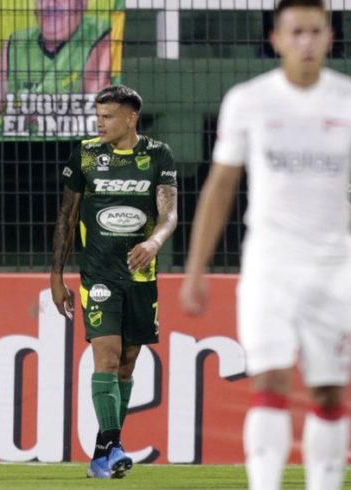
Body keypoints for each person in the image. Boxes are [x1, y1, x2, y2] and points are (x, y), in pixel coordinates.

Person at [179, 1, 351, 488]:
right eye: (296, 32)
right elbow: (220, 187)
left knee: (328, 391)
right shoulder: (249, 101)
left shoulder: (346, 100)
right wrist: (195, 270)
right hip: (270, 263)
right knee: (270, 379)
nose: (306, 41)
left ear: (330, 38)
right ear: (276, 39)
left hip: (335, 266)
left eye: (315, 31)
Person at [50, 85, 178, 479]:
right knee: (106, 357)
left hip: (140, 277)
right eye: (98, 115)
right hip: (98, 275)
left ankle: (102, 453)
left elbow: (169, 214)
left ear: (131, 118)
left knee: (126, 365)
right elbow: (67, 217)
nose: (100, 123)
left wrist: (154, 242)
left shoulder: (158, 155)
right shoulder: (85, 154)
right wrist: (56, 275)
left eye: (108, 116)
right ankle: (115, 447)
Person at [0, 0, 112, 118]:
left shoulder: (103, 36)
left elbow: (97, 110)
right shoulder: (14, 44)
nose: (49, 3)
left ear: (82, 4)